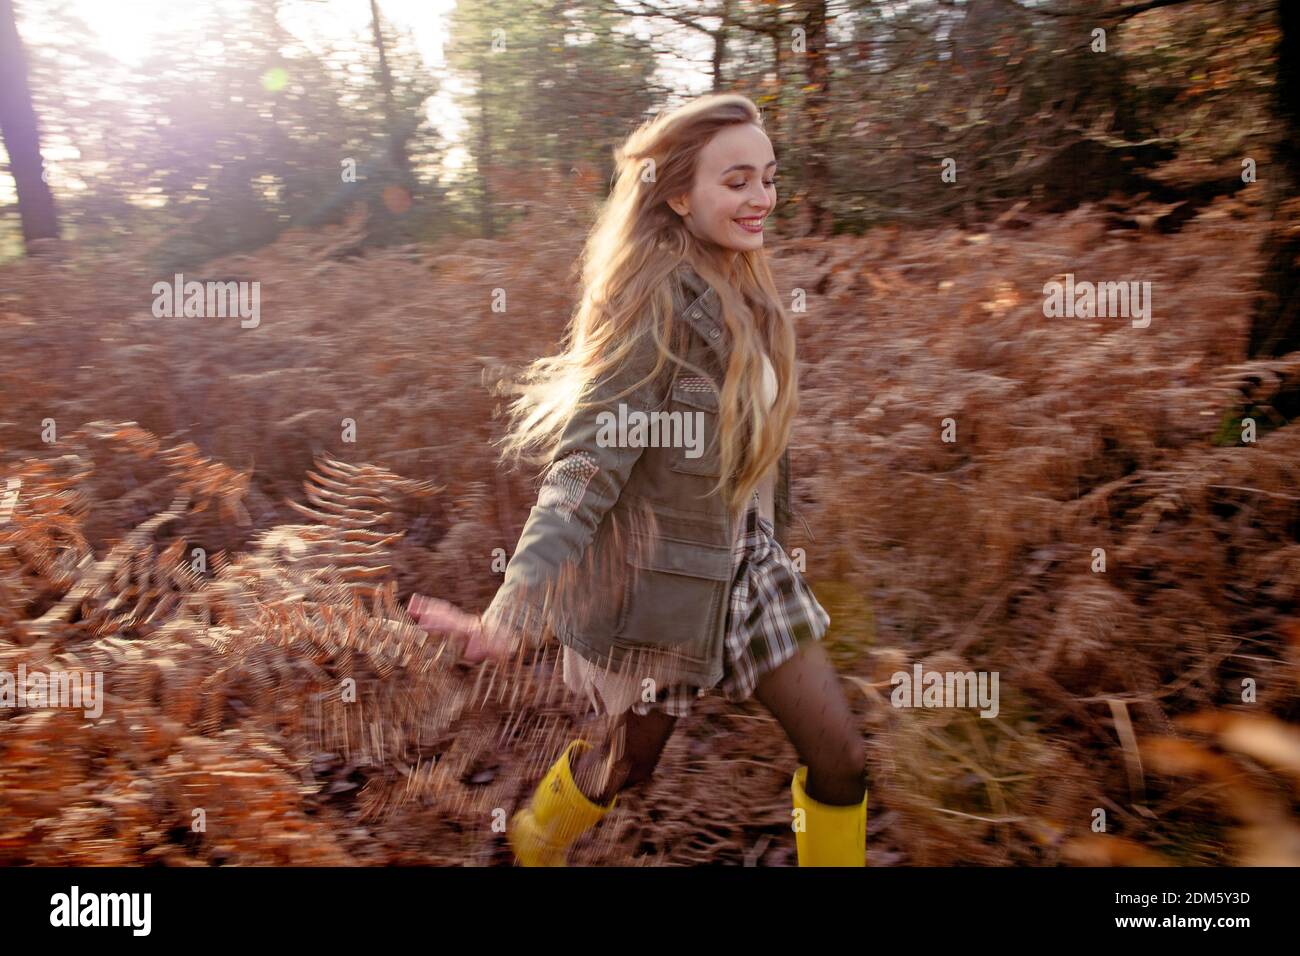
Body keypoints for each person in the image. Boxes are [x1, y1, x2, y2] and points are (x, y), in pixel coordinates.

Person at [409, 93, 867, 867]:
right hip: (657, 585)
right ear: (678, 194)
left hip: (749, 571)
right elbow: (585, 467)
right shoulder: (652, 308)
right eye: (737, 181)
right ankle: (531, 845)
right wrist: (512, 613)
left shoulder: (749, 288)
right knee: (627, 764)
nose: (760, 198)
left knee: (843, 760)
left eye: (769, 178)